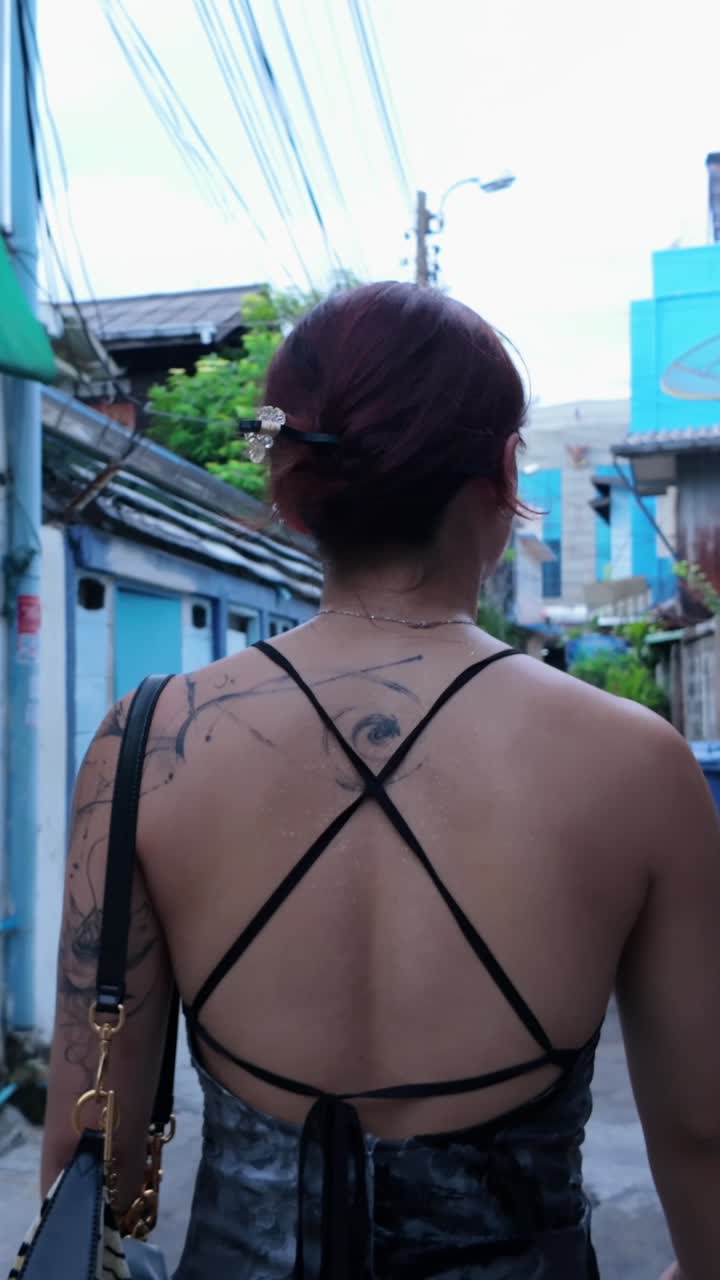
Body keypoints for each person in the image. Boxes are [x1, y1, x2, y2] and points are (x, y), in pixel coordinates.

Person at [43, 282, 720, 1280]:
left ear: (289, 484)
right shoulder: (639, 764)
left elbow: (90, 1141)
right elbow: (703, 1131)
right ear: (505, 473)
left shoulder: (142, 744)